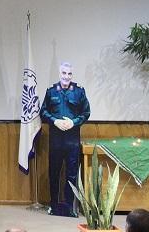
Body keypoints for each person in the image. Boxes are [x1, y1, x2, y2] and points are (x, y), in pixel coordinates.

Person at [40, 62, 91, 218]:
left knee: (71, 175)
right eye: (64, 73)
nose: (66, 77)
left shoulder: (79, 91)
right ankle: (53, 205)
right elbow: (43, 111)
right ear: (59, 73)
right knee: (54, 173)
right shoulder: (51, 91)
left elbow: (86, 112)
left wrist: (73, 122)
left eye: (69, 74)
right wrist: (54, 121)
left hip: (72, 142)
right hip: (55, 141)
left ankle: (69, 206)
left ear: (72, 75)